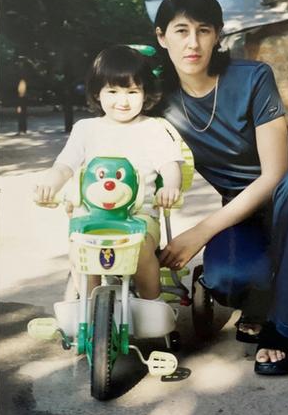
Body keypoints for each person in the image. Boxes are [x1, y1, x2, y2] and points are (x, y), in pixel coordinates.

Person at [155, 0, 288, 375]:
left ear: (218, 35)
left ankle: (283, 328)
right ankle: (259, 298)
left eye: (204, 30)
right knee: (226, 281)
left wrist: (200, 232)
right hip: (248, 213)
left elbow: (275, 173)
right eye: (180, 30)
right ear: (161, 37)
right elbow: (115, 103)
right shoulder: (158, 97)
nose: (192, 42)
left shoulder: (252, 77)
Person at [34, 45, 183, 300]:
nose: (123, 101)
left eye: (132, 91)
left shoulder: (153, 129)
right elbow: (64, 166)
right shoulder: (86, 129)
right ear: (97, 92)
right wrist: (49, 185)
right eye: (113, 91)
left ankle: (150, 301)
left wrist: (170, 187)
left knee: (143, 252)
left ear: (144, 92)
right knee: (79, 251)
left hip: (138, 217)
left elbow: (171, 164)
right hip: (92, 216)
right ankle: (88, 308)